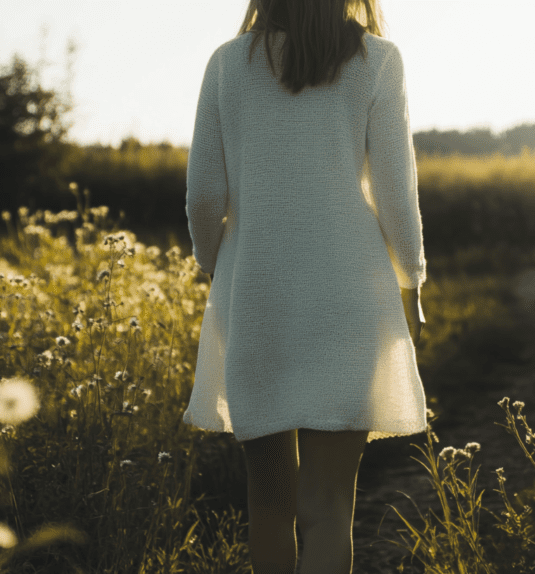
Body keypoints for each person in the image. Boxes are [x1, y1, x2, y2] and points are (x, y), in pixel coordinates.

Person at [183, 0, 427, 572]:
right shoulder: (378, 59)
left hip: (256, 292)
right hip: (352, 291)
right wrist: (412, 281)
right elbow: (397, 193)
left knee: (269, 501)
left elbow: (203, 198)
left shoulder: (227, 63)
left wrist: (217, 265)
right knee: (329, 503)